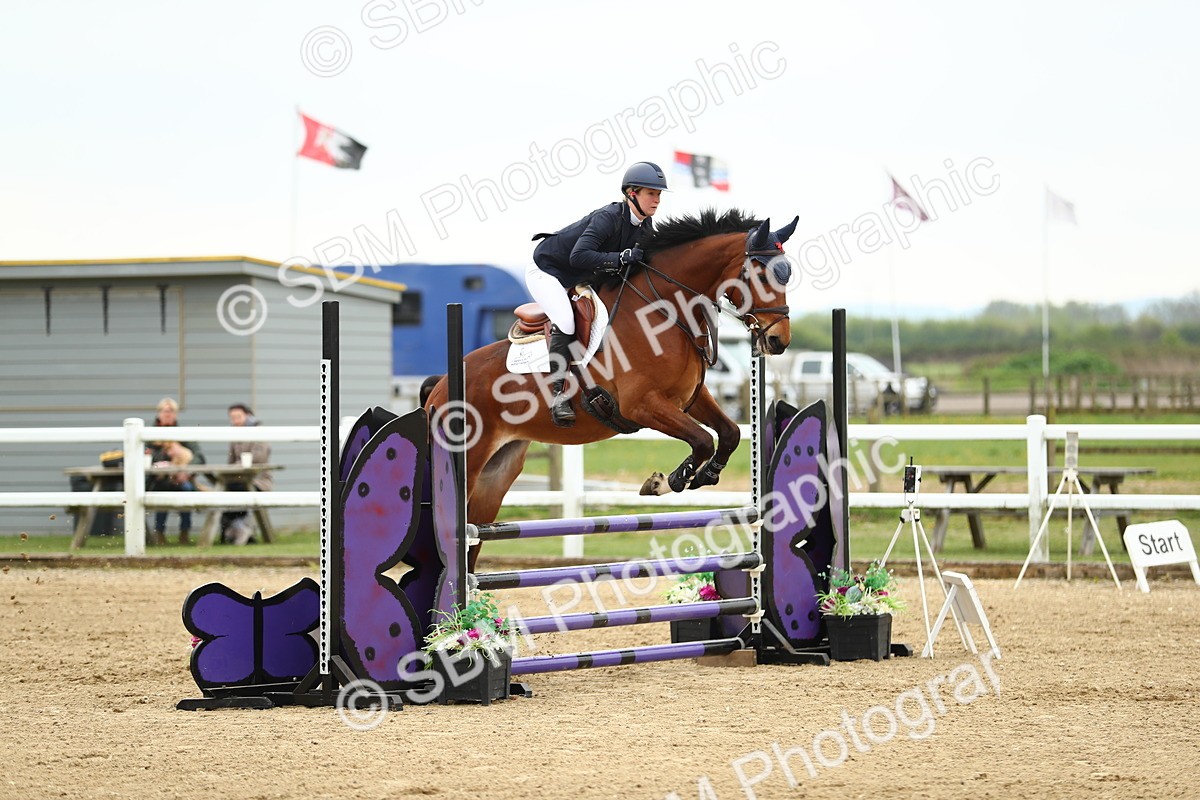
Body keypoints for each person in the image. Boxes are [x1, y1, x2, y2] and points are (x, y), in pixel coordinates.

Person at [527, 161, 667, 427]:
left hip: (579, 276)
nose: (657, 200)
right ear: (632, 194)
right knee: (567, 320)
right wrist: (621, 257)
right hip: (547, 270)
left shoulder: (646, 227)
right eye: (651, 193)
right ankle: (558, 395)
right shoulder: (609, 218)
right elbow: (578, 256)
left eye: (659, 194)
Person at [146, 397, 204, 546]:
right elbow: (145, 456)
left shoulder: (183, 433)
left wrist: (186, 471)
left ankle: (184, 532)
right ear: (159, 413)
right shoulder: (148, 435)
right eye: (165, 411)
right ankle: (159, 533)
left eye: (171, 411)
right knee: (162, 497)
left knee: (186, 493)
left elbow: (198, 456)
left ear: (176, 414)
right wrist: (167, 455)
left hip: (182, 478)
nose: (168, 414)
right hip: (158, 480)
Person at [221, 403, 273, 545]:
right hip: (238, 478)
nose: (235, 420)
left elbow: (259, 457)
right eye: (232, 417)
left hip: (258, 480)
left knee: (236, 492)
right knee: (228, 491)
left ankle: (237, 529)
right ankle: (238, 529)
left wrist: (239, 464)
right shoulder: (234, 434)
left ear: (247, 416)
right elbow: (230, 460)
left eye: (238, 416)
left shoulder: (258, 432)